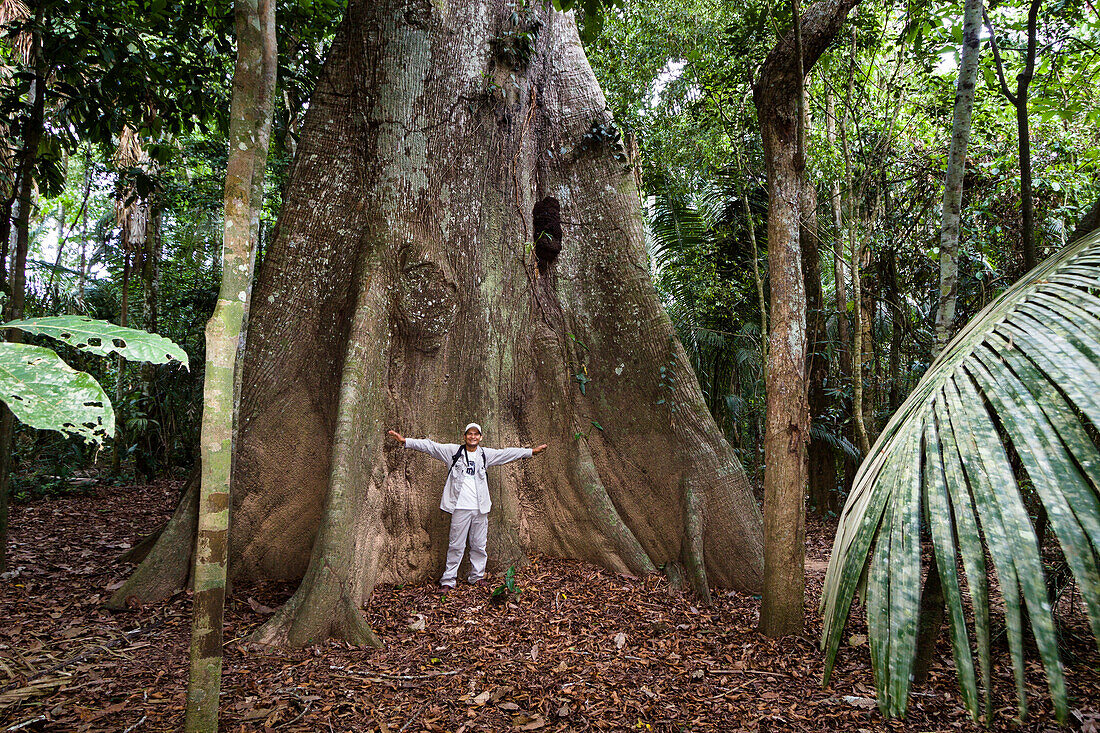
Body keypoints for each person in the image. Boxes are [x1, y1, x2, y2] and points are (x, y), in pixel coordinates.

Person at [387, 423, 547, 591]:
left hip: (480, 508)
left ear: (480, 437)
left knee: (479, 545)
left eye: (476, 434)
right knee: (456, 545)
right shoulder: (453, 452)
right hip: (460, 508)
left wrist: (531, 452)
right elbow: (430, 446)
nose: (473, 437)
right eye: (469, 434)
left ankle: (477, 577)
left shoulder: (485, 454)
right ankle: (448, 580)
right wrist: (405, 441)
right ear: (464, 436)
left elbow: (506, 453)